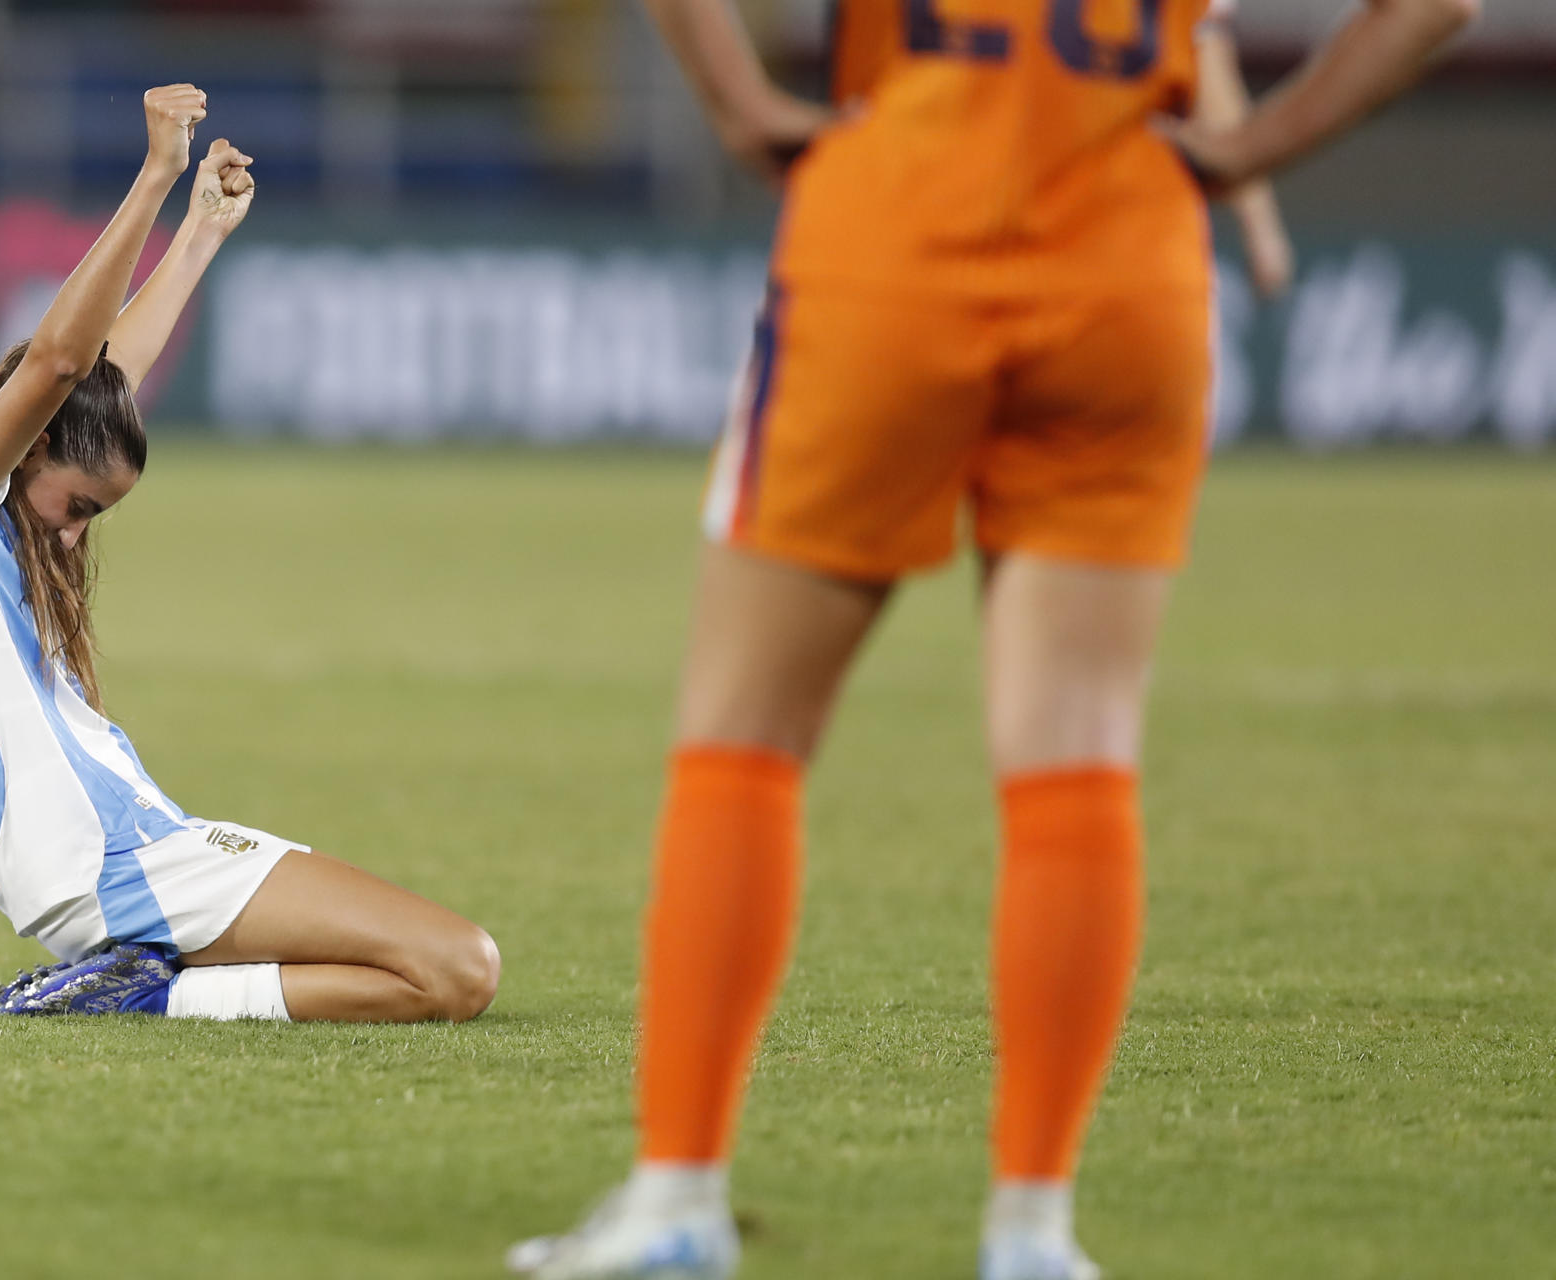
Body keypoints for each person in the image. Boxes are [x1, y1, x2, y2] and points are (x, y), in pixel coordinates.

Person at [509, 1, 1476, 1277]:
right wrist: (1249, 152)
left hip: (894, 225)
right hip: (1125, 248)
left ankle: (679, 1197)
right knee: (1077, 756)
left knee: (743, 733)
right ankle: (1032, 1231)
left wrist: (743, 106)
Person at [0, 85, 500, 1025]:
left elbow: (97, 386)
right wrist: (154, 177)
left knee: (448, 972)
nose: (74, 536)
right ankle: (133, 1000)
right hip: (106, 860)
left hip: (125, 848)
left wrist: (198, 234)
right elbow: (61, 368)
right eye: (77, 508)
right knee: (460, 966)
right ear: (24, 447)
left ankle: (133, 991)